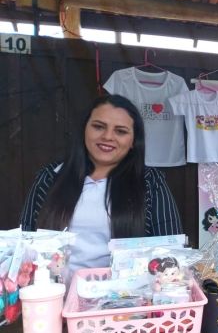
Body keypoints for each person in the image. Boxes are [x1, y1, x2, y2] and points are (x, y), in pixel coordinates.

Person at [19, 94, 182, 273]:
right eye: (98, 127)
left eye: (120, 131)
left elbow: (171, 249)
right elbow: (24, 242)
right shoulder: (50, 177)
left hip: (125, 297)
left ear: (133, 141)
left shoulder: (150, 181)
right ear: (84, 130)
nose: (107, 136)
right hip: (54, 296)